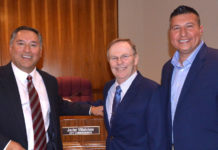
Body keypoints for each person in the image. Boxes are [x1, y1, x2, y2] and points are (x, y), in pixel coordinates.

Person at [0, 26, 103, 150]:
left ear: (40, 51)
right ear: (11, 48)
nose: (27, 50)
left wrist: (92, 109)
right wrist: (6, 145)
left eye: (33, 45)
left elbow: (59, 105)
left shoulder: (50, 81)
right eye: (21, 43)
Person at [161, 5, 218, 150]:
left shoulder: (215, 61)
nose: (183, 33)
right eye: (176, 28)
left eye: (189, 26)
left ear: (201, 29)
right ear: (170, 33)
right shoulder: (167, 69)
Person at [103, 38, 167, 150]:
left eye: (125, 56)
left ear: (136, 59)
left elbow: (159, 140)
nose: (119, 62)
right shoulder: (108, 88)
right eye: (114, 58)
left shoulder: (152, 91)